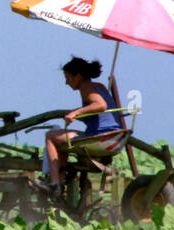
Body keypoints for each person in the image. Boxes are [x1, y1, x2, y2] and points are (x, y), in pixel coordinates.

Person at [36, 56, 123, 195]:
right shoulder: (99, 86)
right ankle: (61, 177)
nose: (66, 82)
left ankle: (54, 184)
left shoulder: (86, 87)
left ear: (79, 76)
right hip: (116, 137)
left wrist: (76, 113)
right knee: (62, 139)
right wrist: (77, 113)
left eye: (68, 77)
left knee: (51, 136)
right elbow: (99, 114)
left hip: (100, 139)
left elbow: (101, 105)